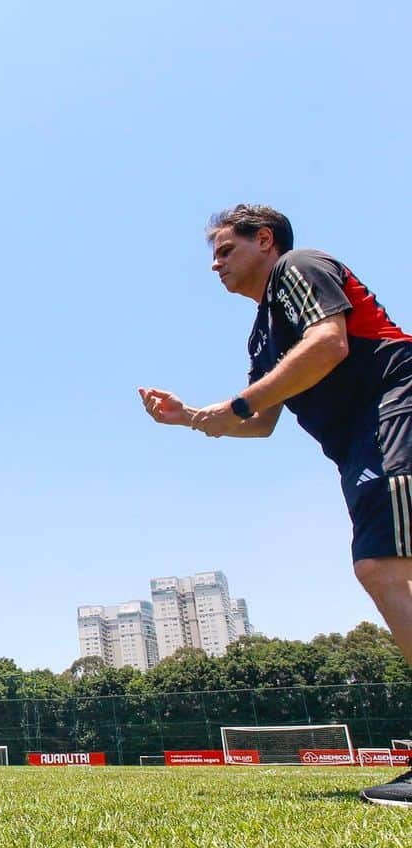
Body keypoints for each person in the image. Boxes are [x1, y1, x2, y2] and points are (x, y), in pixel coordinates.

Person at [139, 204, 412, 806]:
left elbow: (329, 343)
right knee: (389, 567)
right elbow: (262, 422)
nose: (215, 264)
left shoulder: (299, 266)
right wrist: (189, 417)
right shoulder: (263, 330)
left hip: (395, 409)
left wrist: (233, 405)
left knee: (384, 566)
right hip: (360, 444)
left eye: (224, 250)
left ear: (264, 240)